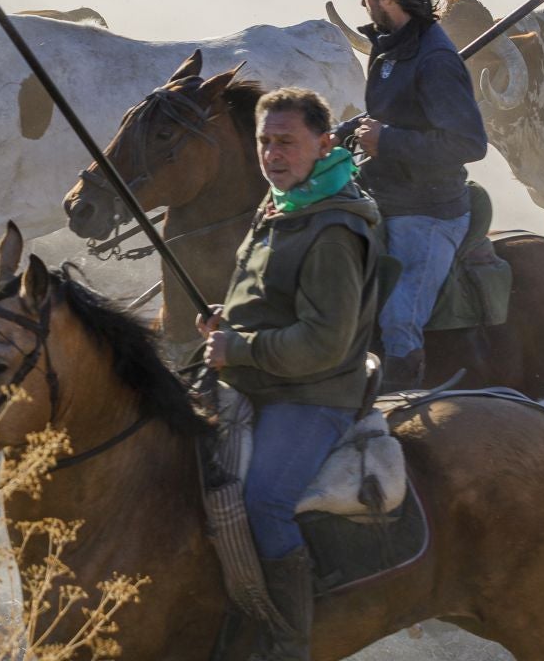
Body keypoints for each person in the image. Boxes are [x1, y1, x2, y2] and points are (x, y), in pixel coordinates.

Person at [199, 86, 386, 661]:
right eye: (264, 142)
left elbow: (325, 343)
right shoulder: (283, 202)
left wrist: (242, 349)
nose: (272, 154)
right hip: (253, 380)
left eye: (286, 141)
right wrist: (228, 319)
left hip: (313, 395)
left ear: (325, 143)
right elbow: (265, 287)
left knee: (264, 503)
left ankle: (288, 642)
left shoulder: (332, 228)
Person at [336, 0, 487, 392]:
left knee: (399, 321)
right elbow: (384, 118)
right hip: (379, 195)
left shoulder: (437, 60)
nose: (362, 3)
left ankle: (400, 411)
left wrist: (387, 142)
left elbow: (469, 143)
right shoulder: (389, 49)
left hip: (427, 212)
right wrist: (331, 136)